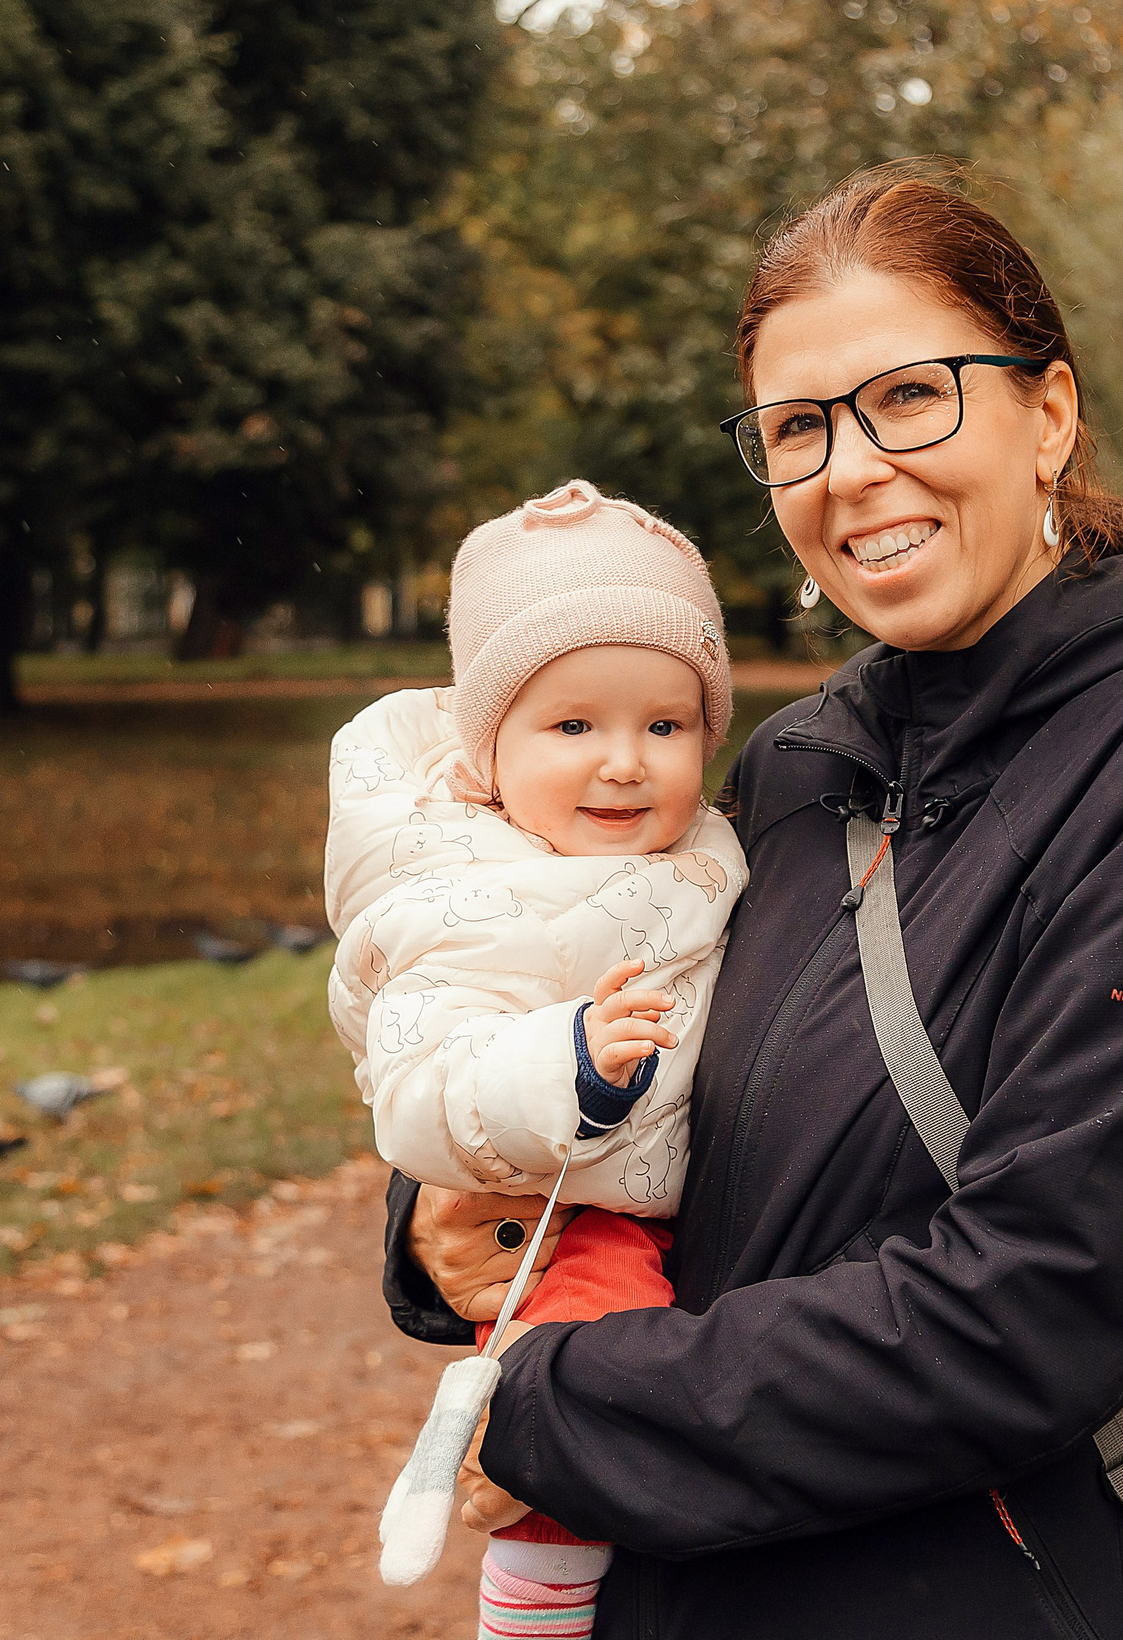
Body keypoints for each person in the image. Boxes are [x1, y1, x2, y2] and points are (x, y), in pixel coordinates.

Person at [382, 165, 1123, 1638]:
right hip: (685, 1580)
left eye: (911, 397)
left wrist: (556, 1408)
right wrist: (444, 1201)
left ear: (1051, 416)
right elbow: (592, 1010)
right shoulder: (797, 763)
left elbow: (1036, 1304)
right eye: (800, 429)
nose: (851, 469)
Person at [325, 480, 748, 1638]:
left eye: (664, 727)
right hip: (576, 1207)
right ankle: (530, 1616)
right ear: (488, 749)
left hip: (677, 1206)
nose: (624, 763)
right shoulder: (471, 897)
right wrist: (569, 1066)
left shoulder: (714, 845)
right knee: (577, 1379)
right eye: (573, 727)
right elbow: (422, 1087)